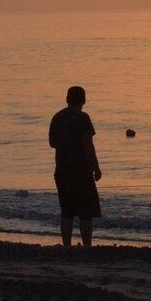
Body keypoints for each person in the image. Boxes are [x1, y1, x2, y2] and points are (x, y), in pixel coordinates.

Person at [48, 85, 102, 247]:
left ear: (67, 99)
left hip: (62, 170)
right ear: (84, 100)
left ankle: (67, 246)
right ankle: (87, 246)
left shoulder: (57, 117)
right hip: (81, 170)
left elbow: (52, 143)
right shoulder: (83, 118)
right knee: (86, 212)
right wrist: (96, 167)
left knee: (67, 211)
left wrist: (66, 143)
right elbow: (87, 144)